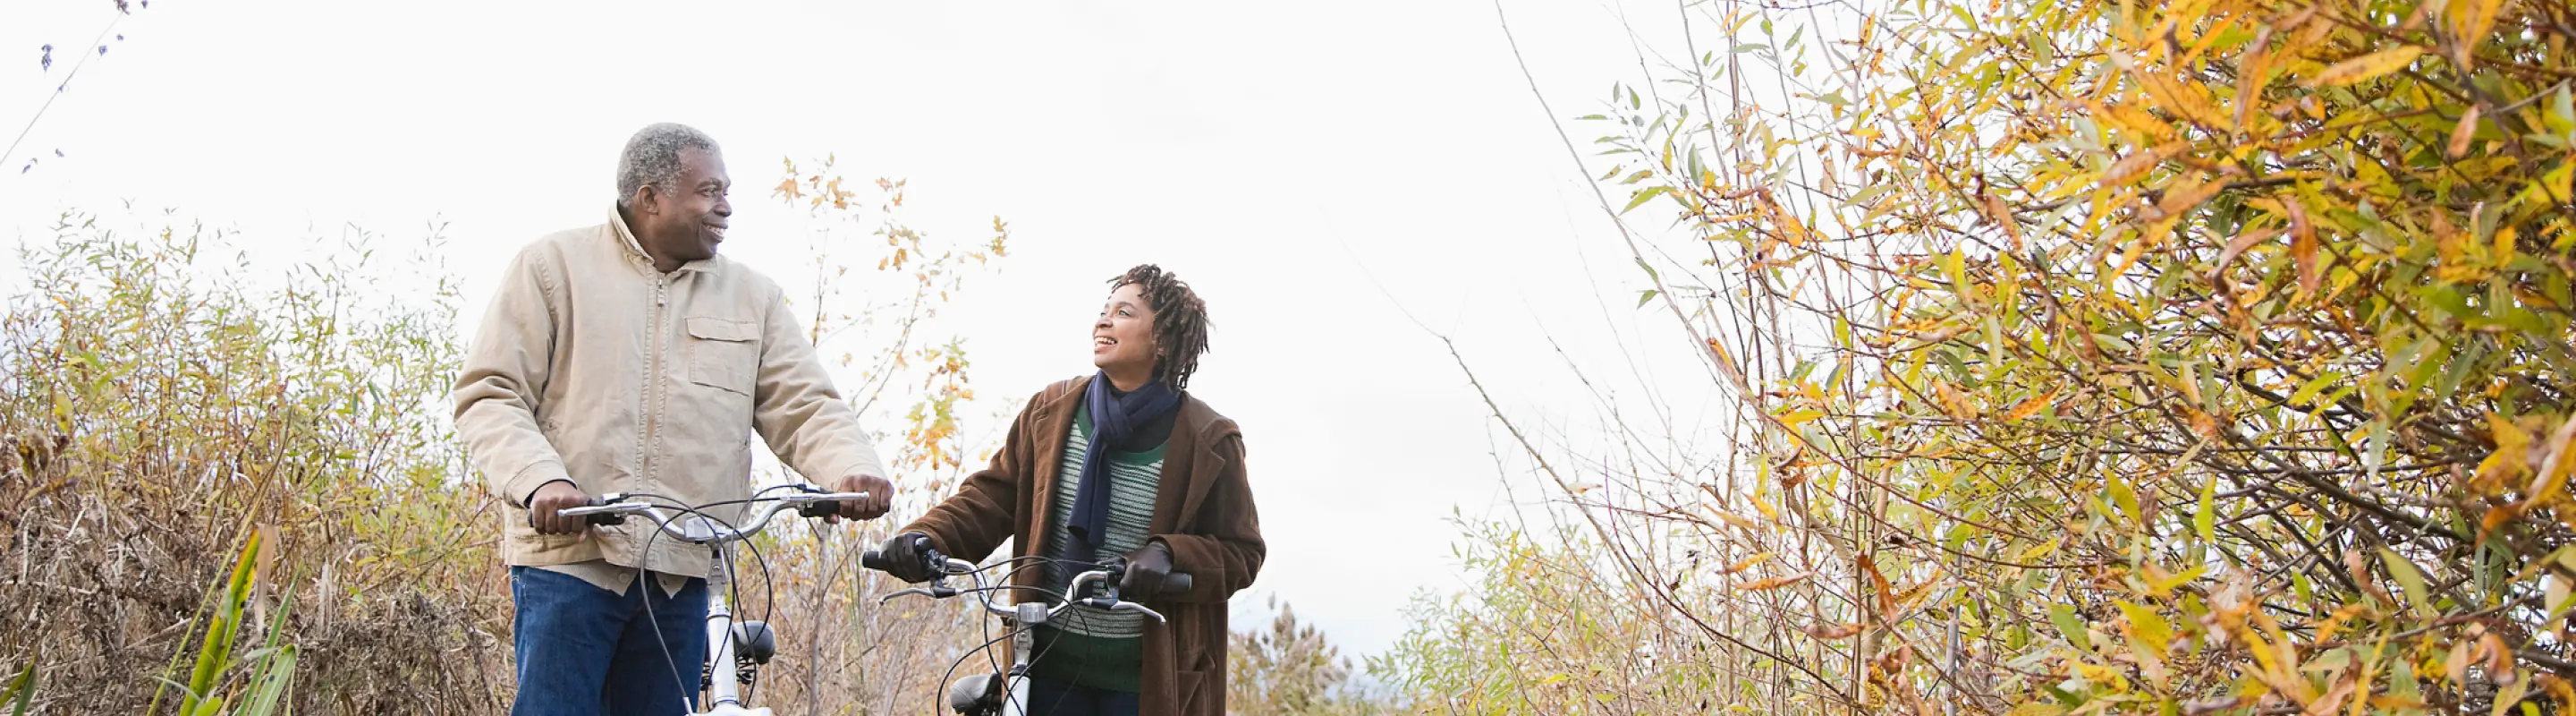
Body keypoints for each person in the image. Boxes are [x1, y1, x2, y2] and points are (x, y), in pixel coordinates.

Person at [453, 123, 897, 716]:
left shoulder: (752, 297)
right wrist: (542, 480)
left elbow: (806, 404)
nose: (726, 205)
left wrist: (852, 469)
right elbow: (490, 393)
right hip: (574, 564)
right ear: (650, 198)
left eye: (727, 189)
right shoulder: (553, 268)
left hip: (682, 572)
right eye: (709, 190)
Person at [874, 265, 1264, 716]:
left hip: (1148, 682)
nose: (1103, 321)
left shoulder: (1209, 439)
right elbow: (992, 497)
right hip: (1045, 669)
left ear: (1162, 341)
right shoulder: (1052, 411)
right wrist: (928, 536)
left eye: (1123, 313)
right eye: (1103, 311)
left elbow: (1242, 552)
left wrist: (1170, 555)